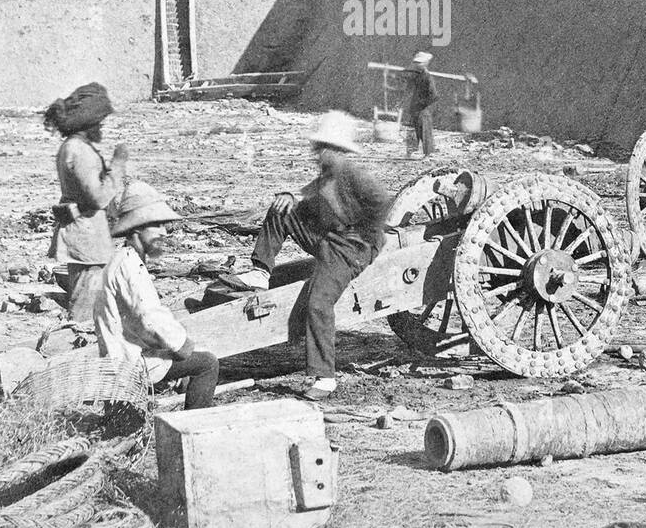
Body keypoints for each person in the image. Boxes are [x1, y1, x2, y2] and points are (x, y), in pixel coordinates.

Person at [249, 111, 391, 400]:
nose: (317, 154)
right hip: (330, 239)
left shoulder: (354, 176)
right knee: (282, 210)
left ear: (337, 150)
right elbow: (311, 191)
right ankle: (261, 270)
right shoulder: (329, 173)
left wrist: (361, 237)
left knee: (318, 302)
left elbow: (381, 204)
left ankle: (325, 377)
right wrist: (291, 196)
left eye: (322, 148)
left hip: (348, 250)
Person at [97, 180, 219, 408]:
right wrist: (183, 347)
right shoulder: (129, 266)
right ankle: (193, 427)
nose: (164, 232)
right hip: (130, 362)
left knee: (187, 356)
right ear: (135, 229)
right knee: (208, 364)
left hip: (124, 355)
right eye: (156, 226)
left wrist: (174, 348)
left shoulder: (125, 260)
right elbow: (150, 319)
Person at [44, 82, 129, 322]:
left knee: (90, 302)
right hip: (87, 240)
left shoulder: (72, 147)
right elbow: (99, 197)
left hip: (84, 236)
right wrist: (118, 164)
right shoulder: (79, 151)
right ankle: (74, 355)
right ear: (88, 123)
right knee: (85, 308)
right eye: (99, 123)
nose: (101, 128)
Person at [404, 51, 438, 157]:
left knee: (425, 131)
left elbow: (433, 96)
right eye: (416, 63)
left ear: (425, 63)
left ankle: (428, 154)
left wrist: (422, 104)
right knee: (412, 130)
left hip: (423, 109)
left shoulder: (428, 77)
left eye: (420, 63)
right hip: (415, 107)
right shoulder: (417, 76)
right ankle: (410, 152)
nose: (417, 65)